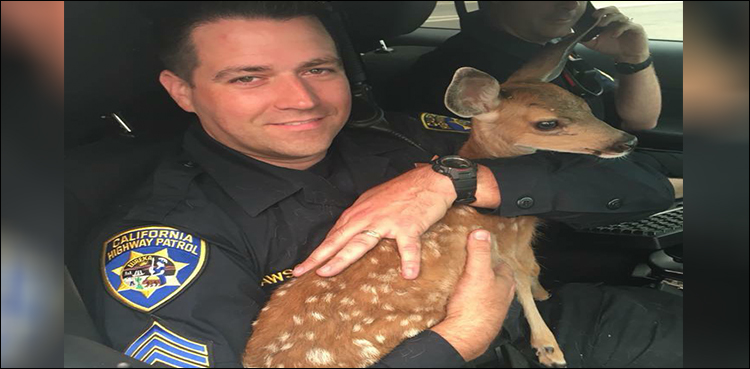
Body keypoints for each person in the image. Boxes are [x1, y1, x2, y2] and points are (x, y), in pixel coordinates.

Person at [78, 2, 679, 367]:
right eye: (248, 78)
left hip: (543, 321)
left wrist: (462, 181)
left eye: (319, 69)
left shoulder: (410, 137)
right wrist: (458, 339)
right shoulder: (165, 244)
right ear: (182, 91)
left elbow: (643, 182)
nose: (303, 99)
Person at [401, 1, 682, 179]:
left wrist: (633, 58)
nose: (570, 5)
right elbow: (499, 170)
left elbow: (640, 121)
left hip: (603, 172)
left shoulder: (552, 56)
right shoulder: (451, 71)